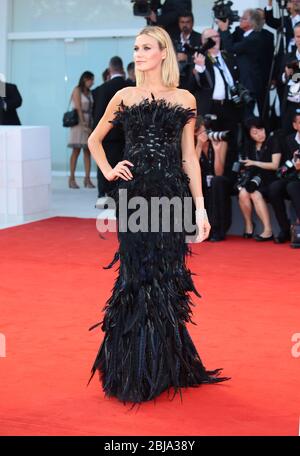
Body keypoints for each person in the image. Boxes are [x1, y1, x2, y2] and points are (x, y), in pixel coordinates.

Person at [87, 26, 229, 404]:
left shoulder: (184, 98)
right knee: (135, 276)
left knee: (165, 279)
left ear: (163, 52)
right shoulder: (124, 95)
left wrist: (200, 208)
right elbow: (94, 139)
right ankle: (133, 369)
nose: (138, 53)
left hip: (171, 196)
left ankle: (164, 366)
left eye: (146, 47)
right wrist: (108, 169)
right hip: (134, 197)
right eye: (135, 47)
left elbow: (189, 158)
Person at [92, 57, 132, 201]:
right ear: (122, 69)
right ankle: (121, 196)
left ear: (110, 70)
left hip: (106, 136)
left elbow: (96, 115)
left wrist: (98, 132)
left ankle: (103, 195)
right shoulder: (131, 87)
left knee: (104, 163)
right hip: (127, 137)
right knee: (126, 167)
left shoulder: (100, 89)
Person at [236, 117, 282, 241]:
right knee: (242, 193)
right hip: (255, 179)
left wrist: (254, 162)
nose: (260, 134)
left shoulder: (273, 140)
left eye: (261, 130)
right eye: (255, 133)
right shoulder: (249, 146)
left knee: (255, 194)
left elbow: (275, 165)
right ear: (249, 135)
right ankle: (249, 224)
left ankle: (268, 230)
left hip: (271, 178)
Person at [217, 9, 264, 117]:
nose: (240, 20)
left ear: (251, 22)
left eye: (243, 18)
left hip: (249, 84)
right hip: (243, 82)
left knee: (248, 117)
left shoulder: (253, 38)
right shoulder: (246, 35)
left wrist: (224, 30)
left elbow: (230, 48)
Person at [195, 116, 233, 242]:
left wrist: (216, 151)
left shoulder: (220, 141)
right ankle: (198, 228)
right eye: (198, 132)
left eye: (203, 131)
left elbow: (219, 172)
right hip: (201, 181)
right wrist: (199, 146)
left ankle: (217, 229)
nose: (202, 135)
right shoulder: (192, 145)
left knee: (217, 181)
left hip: (220, 183)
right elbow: (191, 170)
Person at [269, 111, 300, 244]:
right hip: (293, 175)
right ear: (295, 125)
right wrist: (294, 164)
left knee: (292, 187)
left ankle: (298, 229)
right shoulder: (288, 140)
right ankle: (285, 229)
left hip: (295, 182)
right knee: (274, 187)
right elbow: (285, 165)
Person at [67, 71, 95, 189]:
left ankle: (87, 179)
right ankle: (71, 178)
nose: (92, 82)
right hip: (78, 123)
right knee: (76, 150)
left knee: (87, 151)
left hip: (88, 122)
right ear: (85, 79)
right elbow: (78, 108)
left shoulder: (89, 93)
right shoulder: (77, 90)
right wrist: (83, 123)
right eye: (91, 80)